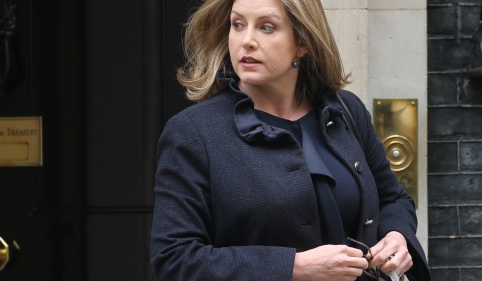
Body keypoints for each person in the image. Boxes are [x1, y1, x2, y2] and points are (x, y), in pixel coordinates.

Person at [150, 0, 431, 280]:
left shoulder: (345, 110)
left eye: (267, 27)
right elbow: (175, 259)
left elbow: (392, 199)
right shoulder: (193, 132)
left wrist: (397, 234)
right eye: (238, 25)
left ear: (302, 43)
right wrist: (294, 267)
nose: (246, 41)